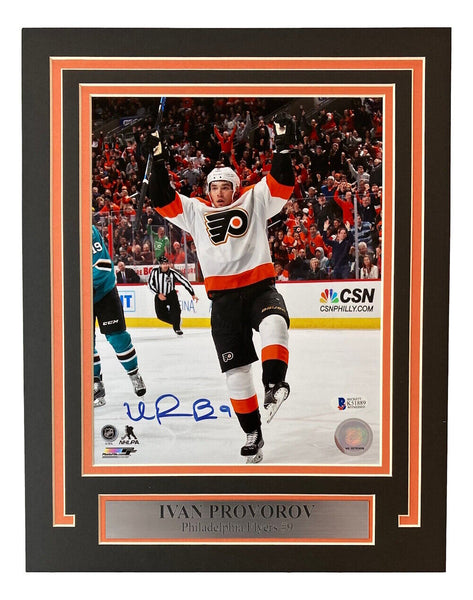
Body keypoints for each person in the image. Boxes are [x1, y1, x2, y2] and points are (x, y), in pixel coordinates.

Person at [145, 112, 295, 463]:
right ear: (207, 191)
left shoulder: (254, 199)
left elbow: (282, 182)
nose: (219, 193)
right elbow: (161, 196)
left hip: (259, 288)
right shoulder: (195, 210)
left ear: (235, 187)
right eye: (214, 187)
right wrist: (158, 159)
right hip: (223, 301)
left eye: (225, 186)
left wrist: (284, 147)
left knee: (275, 323)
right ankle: (252, 432)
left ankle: (274, 384)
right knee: (236, 374)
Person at [92, 225, 146, 407]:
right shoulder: (58, 235)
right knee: (84, 344)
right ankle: (96, 385)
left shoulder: (87, 231)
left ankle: (134, 374)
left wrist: (82, 285)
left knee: (118, 338)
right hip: (79, 296)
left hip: (104, 292)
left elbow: (103, 266)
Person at [148, 256, 198, 335]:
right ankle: (175, 321)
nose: (165, 265)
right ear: (160, 264)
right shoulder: (154, 271)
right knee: (160, 315)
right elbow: (150, 284)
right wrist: (158, 294)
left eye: (166, 263)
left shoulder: (172, 272)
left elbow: (184, 281)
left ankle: (177, 328)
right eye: (163, 264)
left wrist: (192, 293)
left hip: (171, 294)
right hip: (159, 295)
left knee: (176, 311)